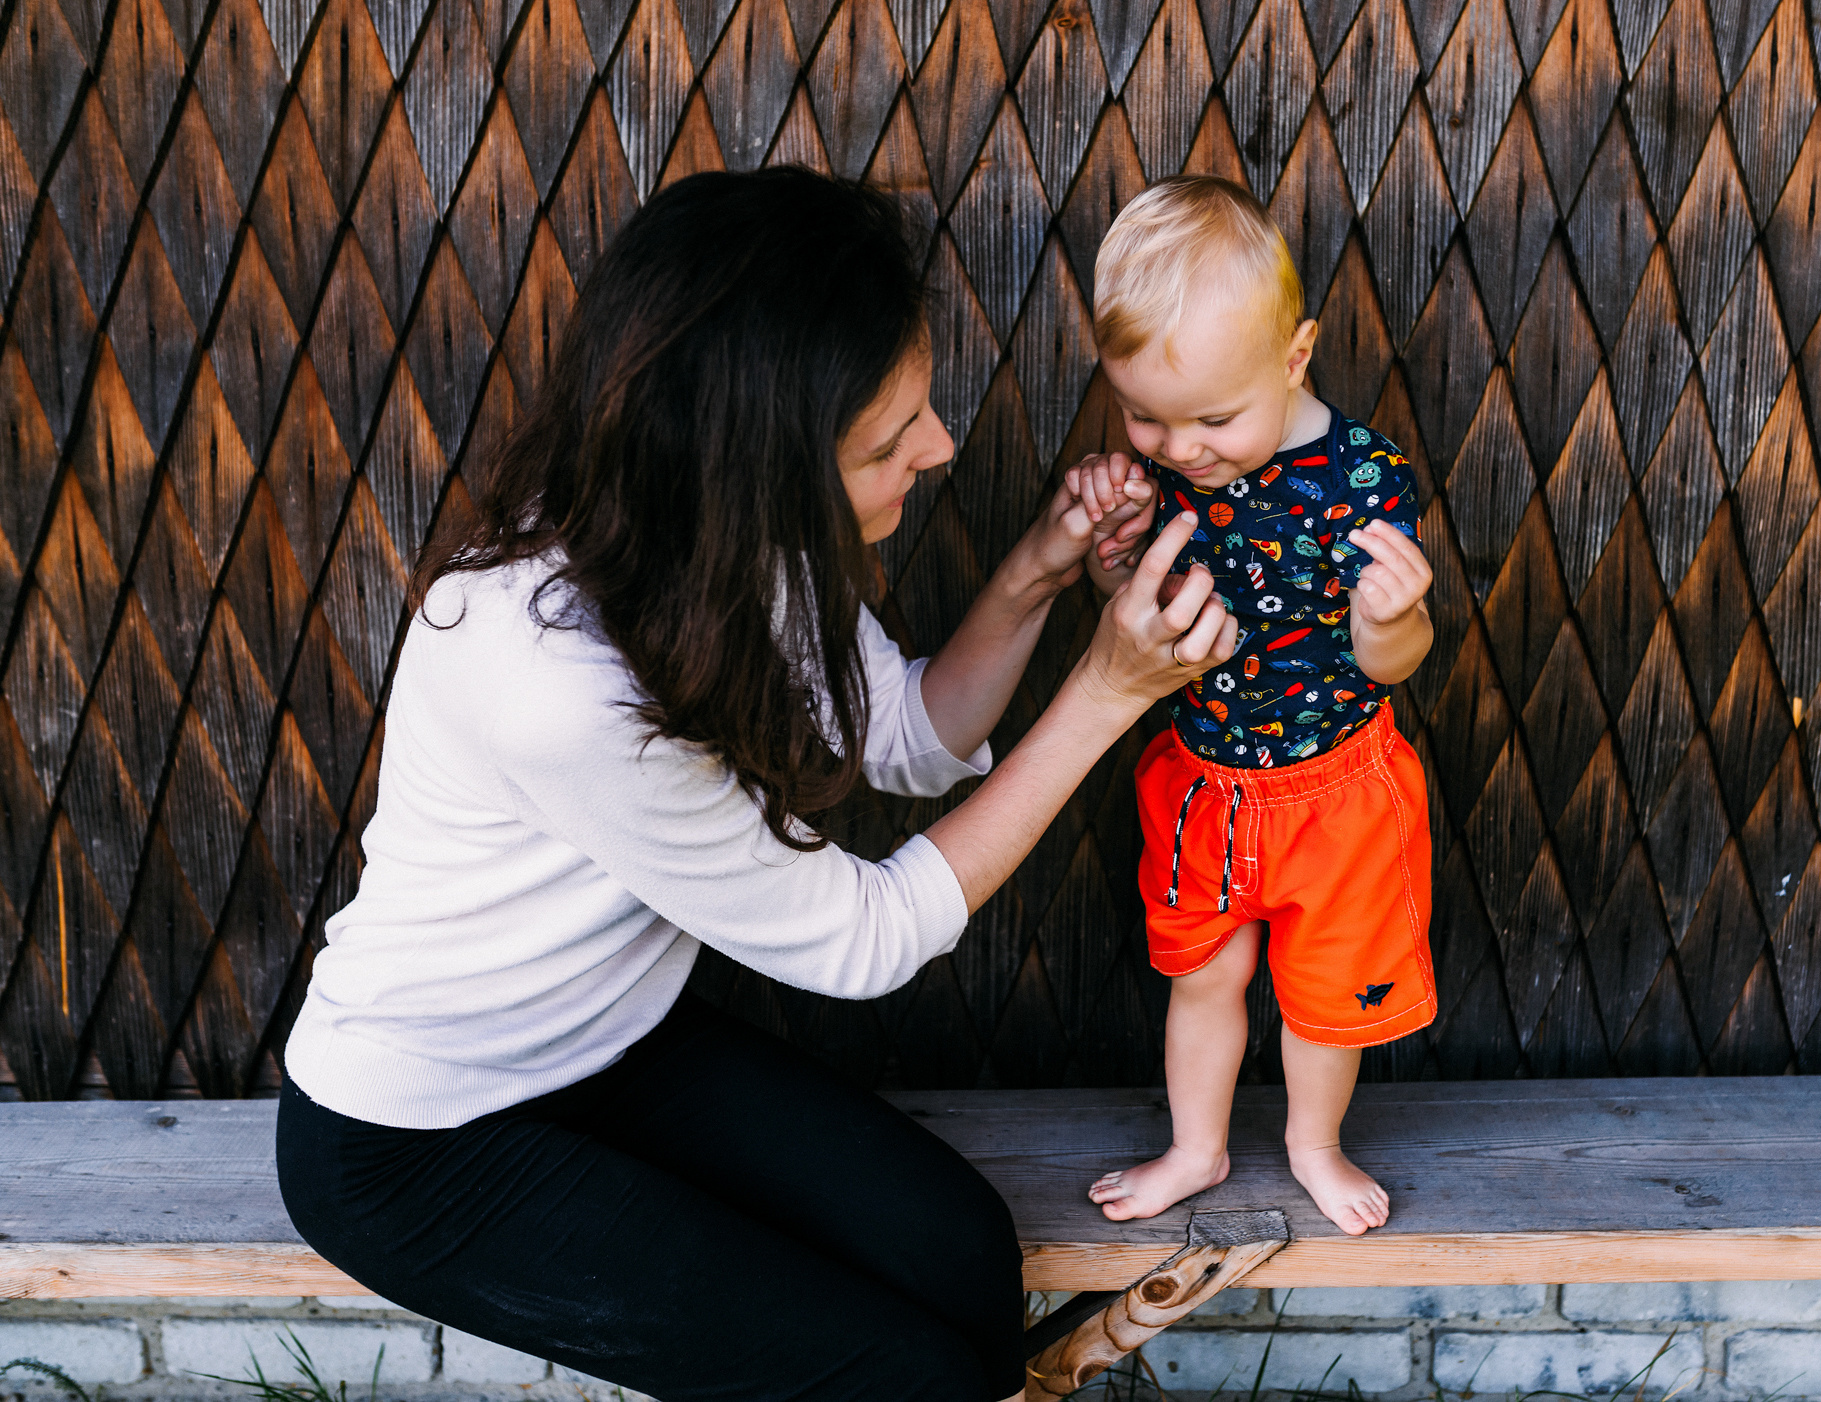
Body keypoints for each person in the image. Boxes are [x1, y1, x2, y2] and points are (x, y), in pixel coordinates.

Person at [273, 168, 1240, 1402]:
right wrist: (1109, 692)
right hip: (419, 1143)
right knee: (901, 1378)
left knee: (958, 1253)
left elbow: (905, 731)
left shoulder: (711, 531)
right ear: (760, 458)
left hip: (608, 1041)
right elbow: (866, 939)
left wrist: (1043, 569)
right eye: (893, 440)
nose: (941, 449)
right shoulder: (556, 679)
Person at [1066, 176, 1437, 1236]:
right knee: (1204, 976)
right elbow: (1141, 611)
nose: (1181, 449)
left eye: (1213, 420)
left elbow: (1395, 661)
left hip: (1335, 792)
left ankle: (1314, 1144)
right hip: (1206, 783)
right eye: (1145, 414)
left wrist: (1393, 615)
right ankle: (1197, 1148)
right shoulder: (1168, 470)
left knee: (1326, 998)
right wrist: (1109, 561)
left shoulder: (1362, 478)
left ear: (1293, 355)